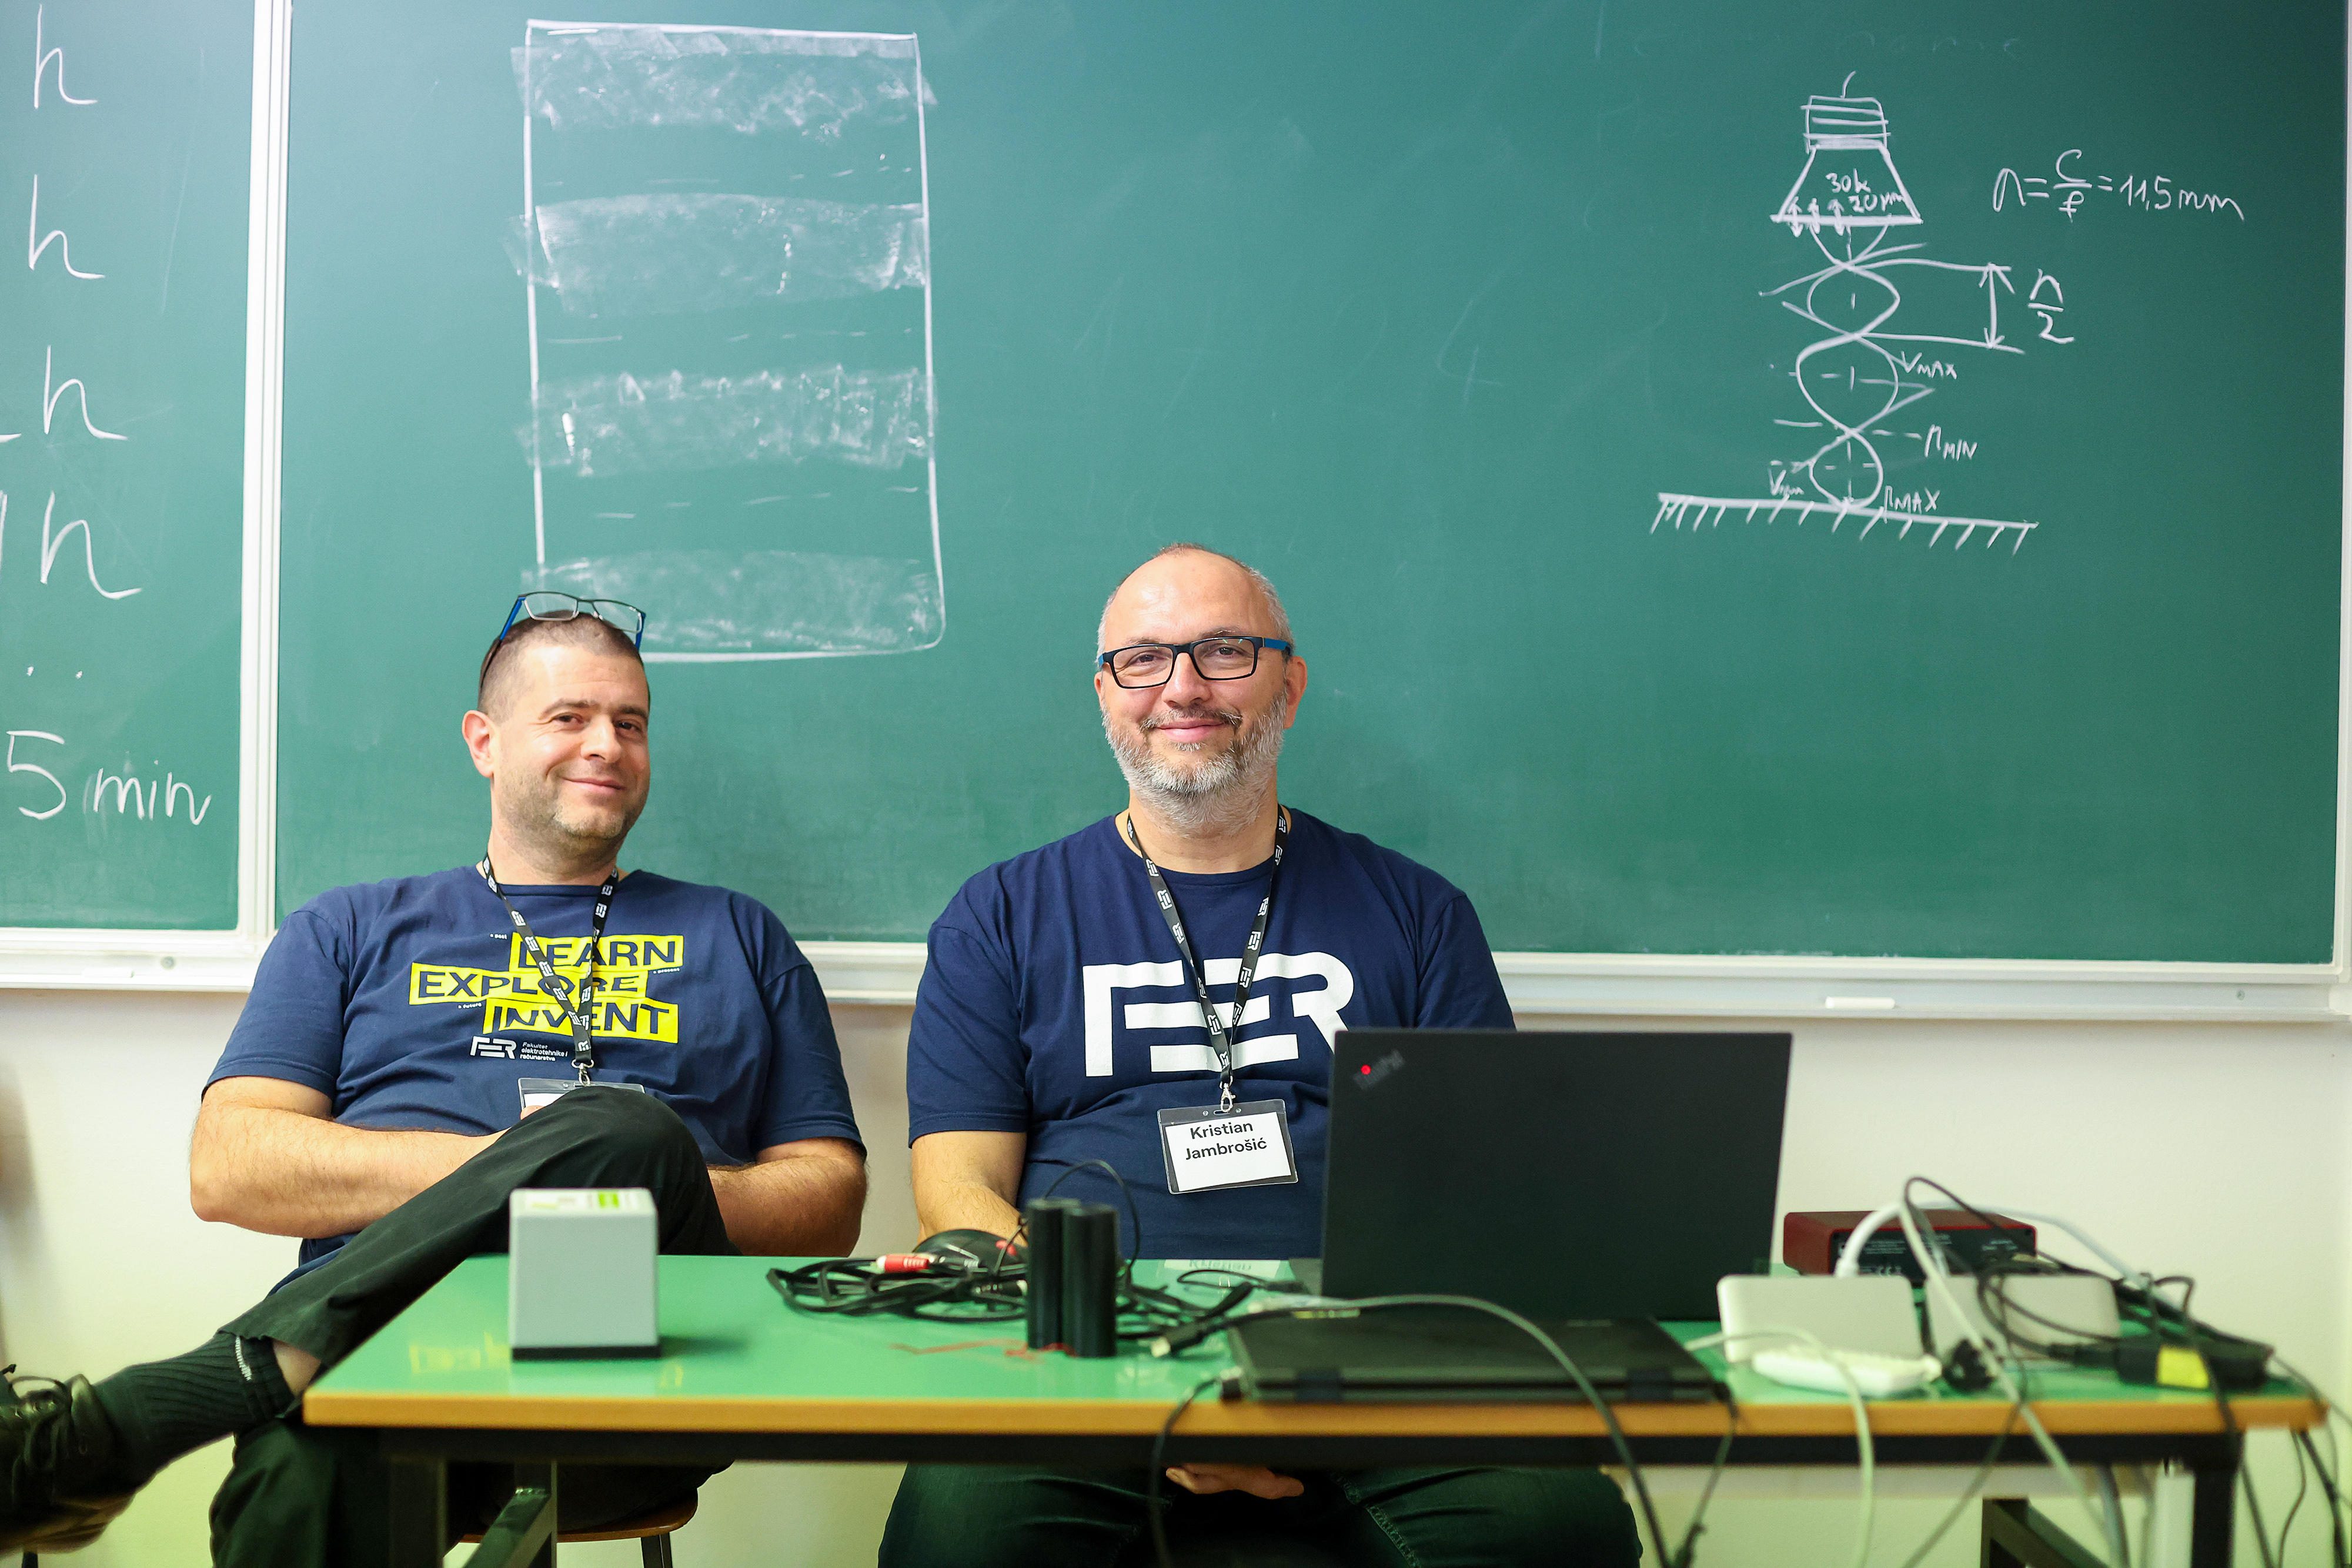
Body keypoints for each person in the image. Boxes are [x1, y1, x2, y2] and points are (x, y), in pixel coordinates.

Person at [0, 593, 867, 1563]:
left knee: (630, 1131)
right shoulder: (348, 927)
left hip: (635, 1371)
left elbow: (832, 1202)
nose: (608, 746)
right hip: (379, 1361)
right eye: (570, 717)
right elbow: (229, 1164)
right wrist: (538, 1171)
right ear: (483, 742)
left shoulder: (740, 935)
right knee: (297, 1474)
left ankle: (173, 1399)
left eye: (631, 724)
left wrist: (630, 1184)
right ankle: (264, 1372)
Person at [884, 546, 1639, 1567]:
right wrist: (1139, 1361)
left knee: (1560, 1526)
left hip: (1367, 1366)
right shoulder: (1001, 916)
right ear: (1105, 693)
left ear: (1291, 682)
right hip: (1088, 1357)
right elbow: (957, 1193)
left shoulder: (1418, 912)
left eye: (1224, 651)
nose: (1182, 687)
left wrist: (1313, 1385)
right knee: (962, 1538)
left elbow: (1477, 1195)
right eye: (1143, 658)